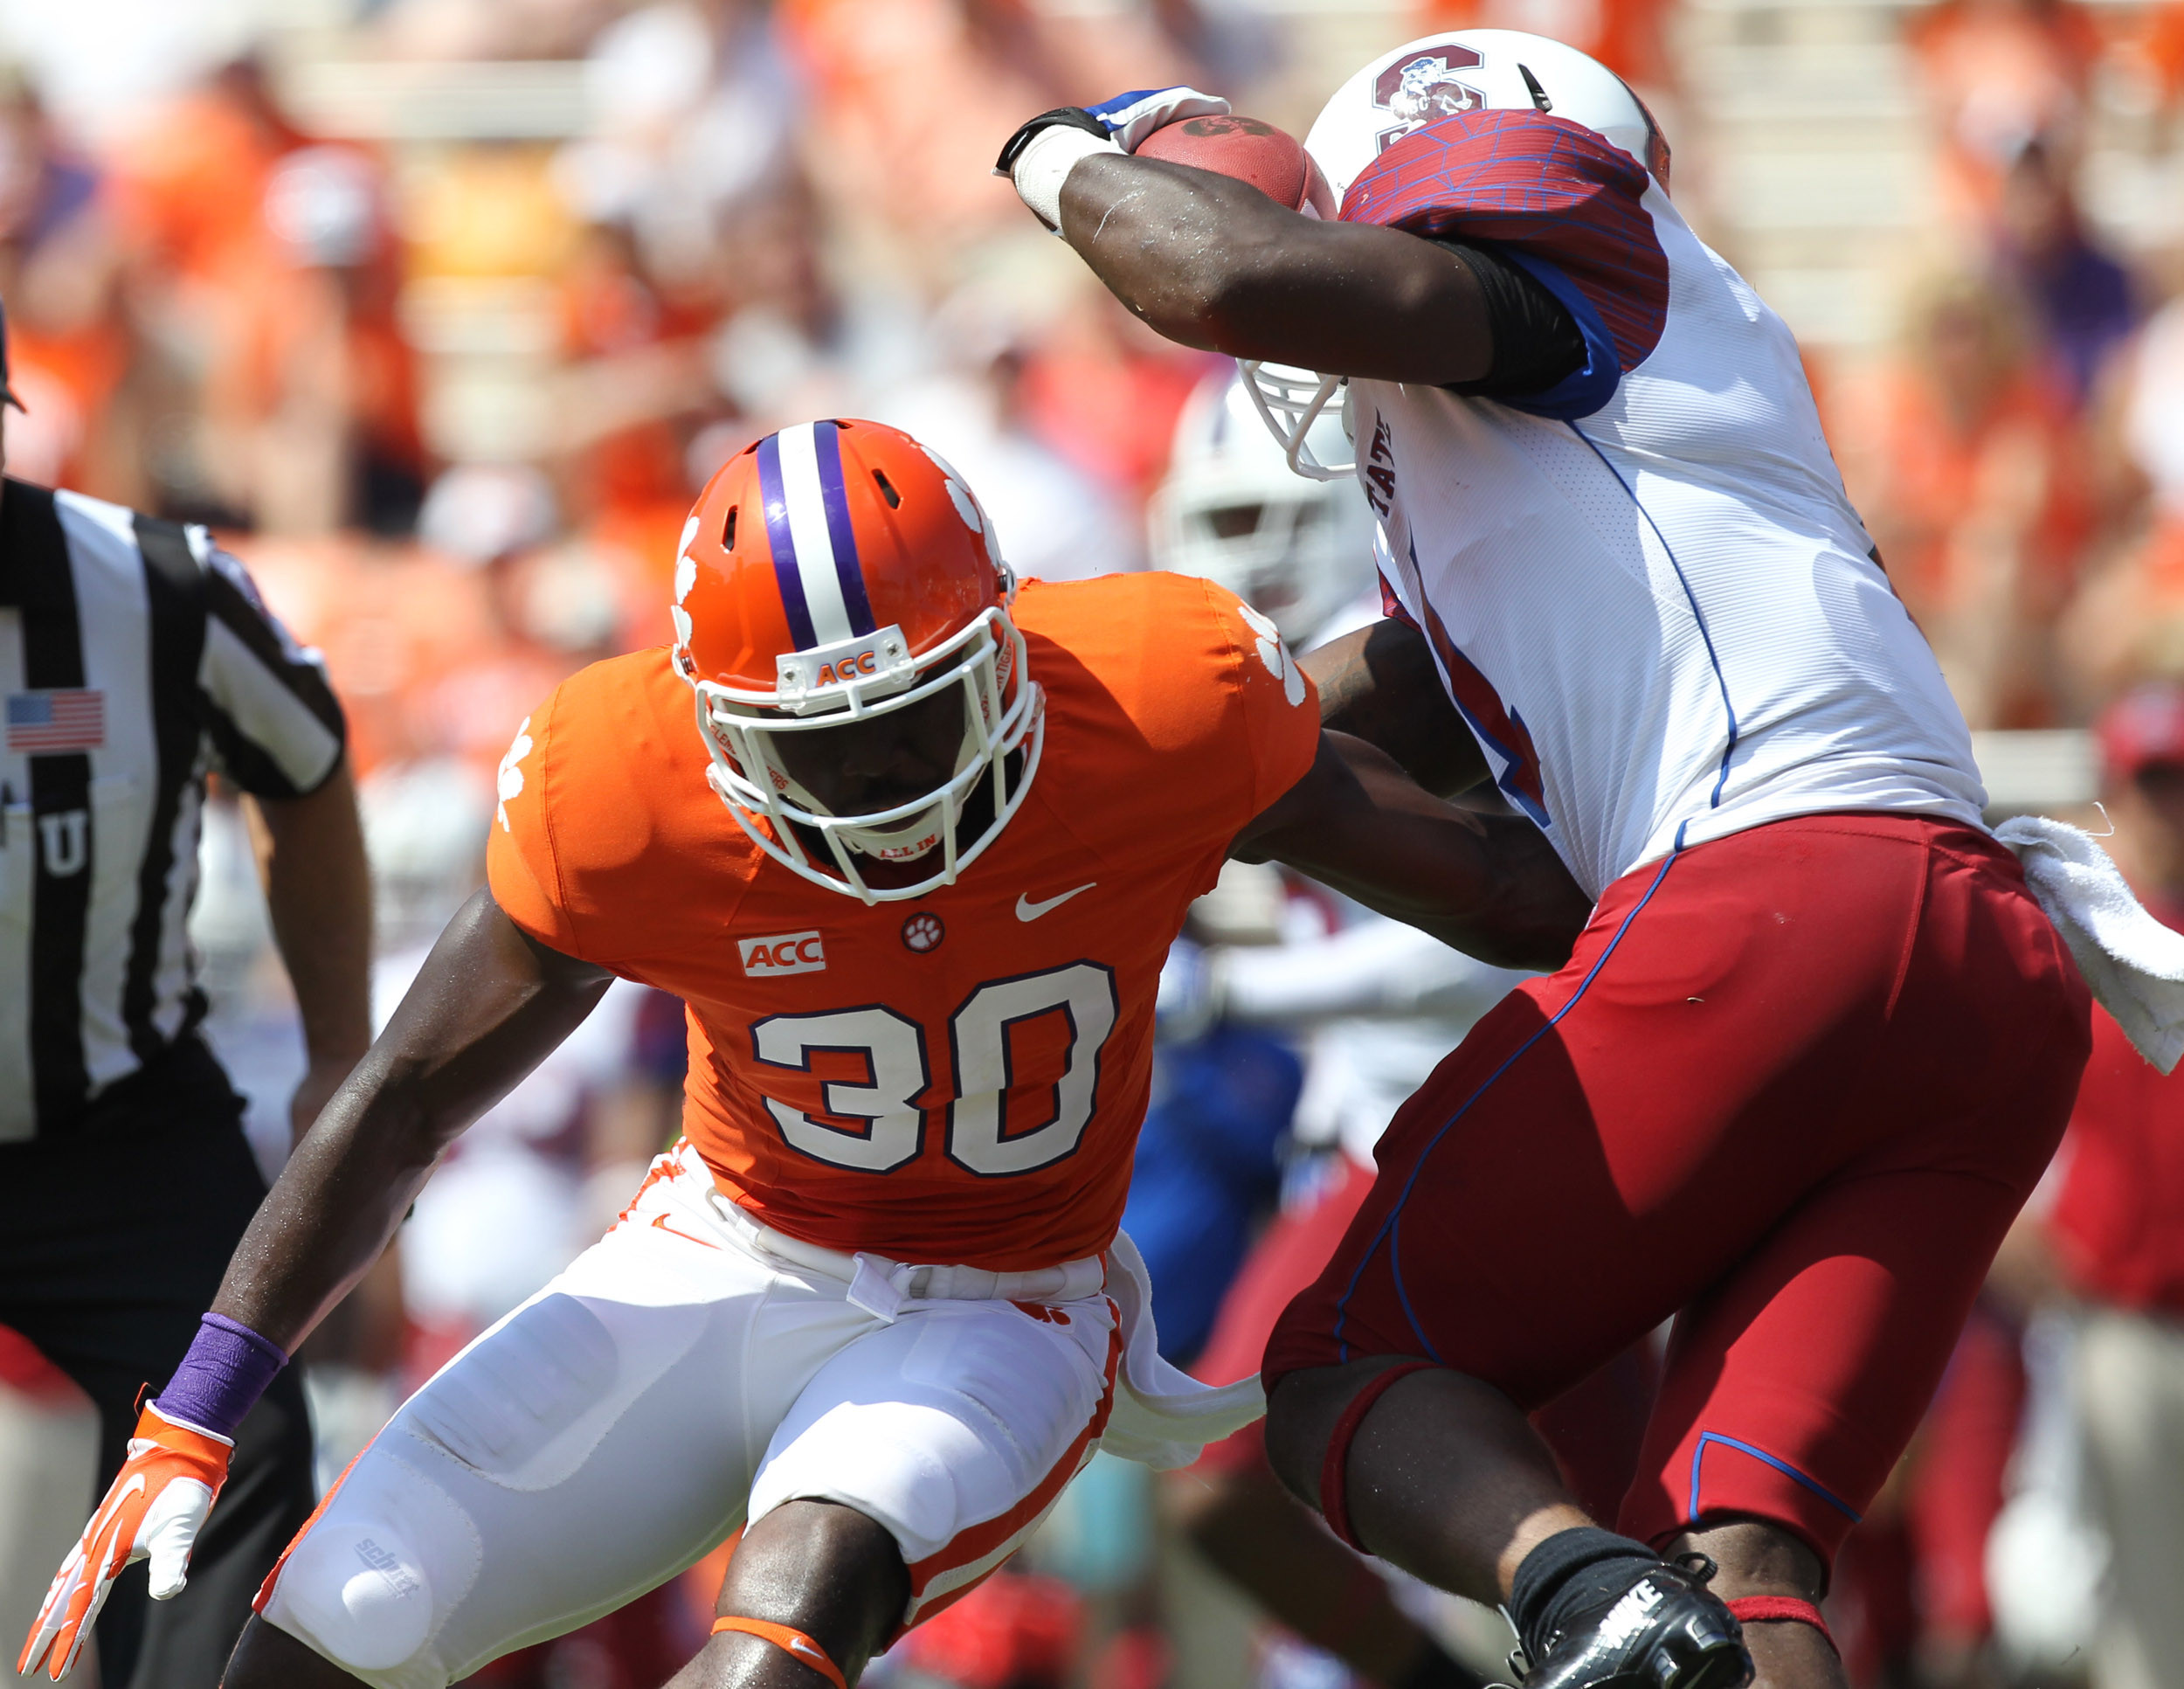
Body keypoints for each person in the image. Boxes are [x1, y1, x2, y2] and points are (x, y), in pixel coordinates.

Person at [20, 417, 1592, 1689]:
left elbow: (1501, 889)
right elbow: (407, 1095)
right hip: (727, 1247)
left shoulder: (1156, 702)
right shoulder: (620, 785)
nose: (882, 776)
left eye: (916, 712)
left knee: (794, 1597)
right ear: (712, 726)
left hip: (1003, 1301)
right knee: (336, 1619)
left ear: (1007, 647)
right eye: (816, 742)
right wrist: (198, 1403)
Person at [998, 38, 2098, 1689]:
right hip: (1978, 975)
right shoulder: (1572, 458)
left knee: (1346, 1365)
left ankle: (1576, 1605)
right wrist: (1149, 782)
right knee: (1740, 1562)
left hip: (1778, 887)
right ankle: (1633, 1607)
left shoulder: (1561, 259)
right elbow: (1453, 822)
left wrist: (1052, 153)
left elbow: (1219, 274)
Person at [0, 291, 373, 1689]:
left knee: (236, 1436)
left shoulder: (158, 592)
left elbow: (307, 765)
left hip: (119, 1124)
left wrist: (338, 1052)